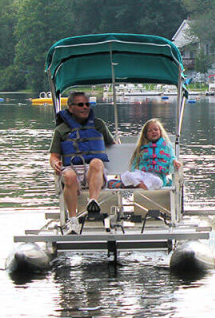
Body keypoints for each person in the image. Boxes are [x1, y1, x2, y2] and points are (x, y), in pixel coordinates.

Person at [49, 91, 116, 234]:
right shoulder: (61, 130)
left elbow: (113, 144)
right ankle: (73, 221)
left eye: (87, 104)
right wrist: (55, 163)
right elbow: (54, 156)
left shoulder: (99, 125)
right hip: (72, 170)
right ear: (71, 108)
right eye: (81, 104)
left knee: (97, 162)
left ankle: (93, 201)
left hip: (94, 173)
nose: (85, 107)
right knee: (68, 175)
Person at [119, 119, 181, 190]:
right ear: (146, 134)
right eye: (150, 131)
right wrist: (134, 173)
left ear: (160, 131)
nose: (153, 132)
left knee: (157, 182)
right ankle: (141, 185)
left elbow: (172, 157)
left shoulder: (167, 145)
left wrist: (175, 161)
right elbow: (135, 163)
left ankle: (136, 185)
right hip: (143, 174)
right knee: (126, 175)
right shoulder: (142, 147)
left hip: (158, 176)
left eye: (156, 129)